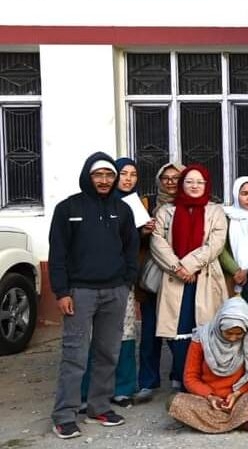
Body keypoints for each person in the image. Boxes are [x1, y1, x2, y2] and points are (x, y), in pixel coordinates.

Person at [49, 154, 139, 439]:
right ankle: (64, 415)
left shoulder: (122, 209)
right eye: (98, 175)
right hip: (79, 293)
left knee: (108, 353)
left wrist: (126, 282)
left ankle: (99, 406)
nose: (103, 180)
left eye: (108, 175)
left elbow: (130, 248)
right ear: (88, 176)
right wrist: (62, 291)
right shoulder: (68, 208)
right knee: (75, 354)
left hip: (115, 291)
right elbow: (58, 253)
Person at [149, 165, 228, 393]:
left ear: (206, 185)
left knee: (204, 329)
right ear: (182, 184)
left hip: (204, 278)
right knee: (177, 331)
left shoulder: (215, 212)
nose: (194, 186)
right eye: (189, 181)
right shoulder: (167, 211)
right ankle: (183, 376)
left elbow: (215, 244)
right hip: (176, 279)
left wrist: (189, 265)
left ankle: (202, 378)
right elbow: (157, 242)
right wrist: (178, 267)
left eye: (199, 182)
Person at [85, 157, 144, 408]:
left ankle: (123, 387)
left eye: (133, 174)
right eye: (123, 173)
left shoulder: (136, 203)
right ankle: (90, 389)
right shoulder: (94, 203)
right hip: (93, 281)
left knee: (126, 332)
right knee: (94, 335)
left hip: (123, 280)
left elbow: (132, 244)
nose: (128, 179)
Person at [168, 298, 248, 434]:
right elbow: (190, 377)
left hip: (239, 398)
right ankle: (239, 423)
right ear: (219, 326)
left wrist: (236, 394)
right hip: (207, 400)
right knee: (172, 402)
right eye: (228, 333)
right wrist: (210, 397)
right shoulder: (202, 338)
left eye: (238, 334)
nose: (233, 338)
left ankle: (210, 423)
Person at [136, 161, 185, 403]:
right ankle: (147, 381)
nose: (170, 182)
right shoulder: (146, 206)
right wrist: (143, 233)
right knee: (149, 332)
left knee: (178, 331)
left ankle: (179, 376)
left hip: (179, 276)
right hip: (153, 278)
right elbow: (130, 237)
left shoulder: (191, 204)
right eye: (165, 178)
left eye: (176, 177)